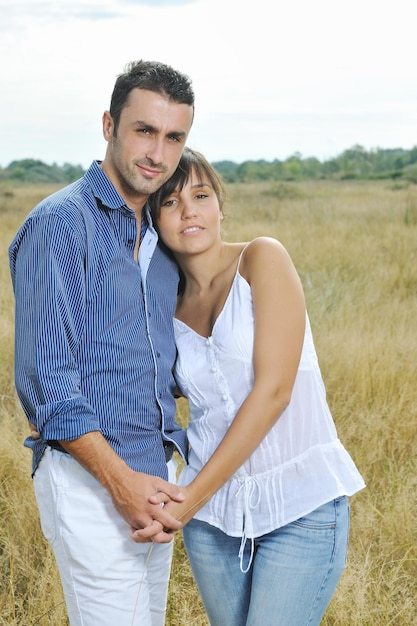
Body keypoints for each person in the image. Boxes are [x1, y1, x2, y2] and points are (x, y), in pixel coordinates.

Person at [136, 147, 366, 625]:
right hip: (214, 524)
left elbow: (275, 392)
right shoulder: (164, 306)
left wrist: (185, 501)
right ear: (154, 219)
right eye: (171, 202)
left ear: (220, 204)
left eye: (200, 195)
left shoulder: (262, 259)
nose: (190, 211)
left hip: (299, 508)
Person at [8, 60, 195, 626]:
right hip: (92, 483)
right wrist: (121, 484)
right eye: (144, 130)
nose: (157, 154)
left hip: (158, 481)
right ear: (110, 125)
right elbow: (47, 382)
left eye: (174, 138)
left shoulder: (162, 239)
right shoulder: (59, 224)